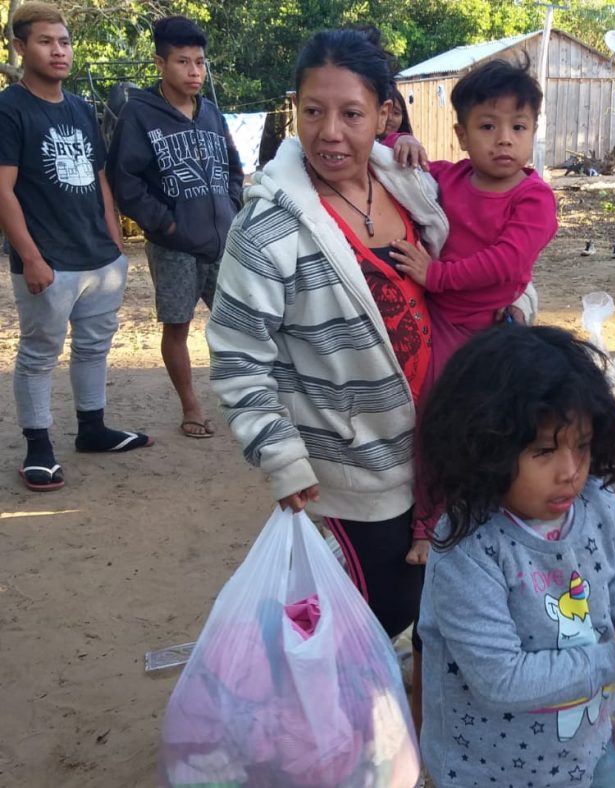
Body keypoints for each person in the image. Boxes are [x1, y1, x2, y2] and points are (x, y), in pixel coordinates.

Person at [205, 27, 448, 720]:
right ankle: (338, 745)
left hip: (436, 457)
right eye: (313, 111)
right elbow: (237, 353)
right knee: (357, 626)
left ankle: (408, 730)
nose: (330, 132)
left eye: (350, 113)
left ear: (384, 116)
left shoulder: (411, 187)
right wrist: (279, 456)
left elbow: (466, 273)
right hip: (348, 471)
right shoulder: (269, 227)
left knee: (429, 607)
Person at [416, 324, 615, 788]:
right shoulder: (469, 548)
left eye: (581, 445)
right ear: (485, 447)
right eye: (543, 451)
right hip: (488, 772)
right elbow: (499, 678)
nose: (571, 471)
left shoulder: (596, 506)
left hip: (584, 748)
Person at [385, 58, 558, 544]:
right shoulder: (451, 177)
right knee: (431, 420)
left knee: (500, 424)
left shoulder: (534, 198)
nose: (504, 138)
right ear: (461, 134)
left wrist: (433, 274)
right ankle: (428, 521)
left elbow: (506, 263)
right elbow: (398, 169)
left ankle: (496, 506)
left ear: (532, 131)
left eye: (517, 126)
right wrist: (402, 143)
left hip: (489, 332)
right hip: (438, 323)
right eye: (488, 126)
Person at [0, 1, 153, 493]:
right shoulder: (9, 108)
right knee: (40, 352)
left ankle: (92, 429)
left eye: (64, 42)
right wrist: (29, 256)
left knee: (93, 346)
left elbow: (100, 178)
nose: (59, 51)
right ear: (20, 48)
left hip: (97, 257)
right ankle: (38, 446)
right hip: (48, 258)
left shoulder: (81, 109)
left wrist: (114, 242)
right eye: (46, 42)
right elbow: (2, 189)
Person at [107, 15, 244, 438]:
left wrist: (234, 206)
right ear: (160, 63)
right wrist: (163, 224)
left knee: (241, 324)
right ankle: (190, 407)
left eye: (200, 63)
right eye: (183, 62)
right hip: (174, 246)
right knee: (178, 326)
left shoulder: (212, 115)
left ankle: (244, 403)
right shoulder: (139, 115)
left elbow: (234, 168)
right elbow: (123, 180)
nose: (194, 72)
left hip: (222, 243)